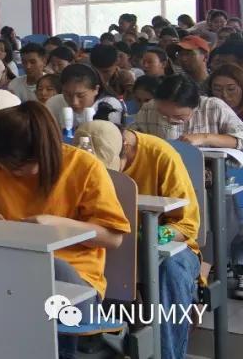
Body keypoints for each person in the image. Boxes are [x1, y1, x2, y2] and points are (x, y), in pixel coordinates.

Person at [0, 102, 129, 359]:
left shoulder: (83, 167)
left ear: (42, 152)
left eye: (18, 165)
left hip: (76, 286)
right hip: (10, 276)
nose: (8, 171)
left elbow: (113, 238)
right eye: (3, 162)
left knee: (49, 267)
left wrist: (58, 225)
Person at [75, 120, 200, 359]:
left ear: (125, 147)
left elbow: (188, 226)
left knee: (171, 269)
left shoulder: (161, 155)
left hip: (166, 245)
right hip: (107, 243)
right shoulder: (74, 161)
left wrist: (152, 234)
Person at [132, 74, 243, 148]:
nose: (170, 120)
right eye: (163, 115)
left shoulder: (213, 107)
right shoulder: (149, 108)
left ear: (195, 106)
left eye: (179, 116)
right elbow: (131, 137)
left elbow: (240, 139)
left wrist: (205, 138)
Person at [46, 64, 125, 129]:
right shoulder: (54, 103)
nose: (74, 102)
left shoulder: (108, 106)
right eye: (68, 95)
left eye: (81, 95)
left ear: (96, 89)